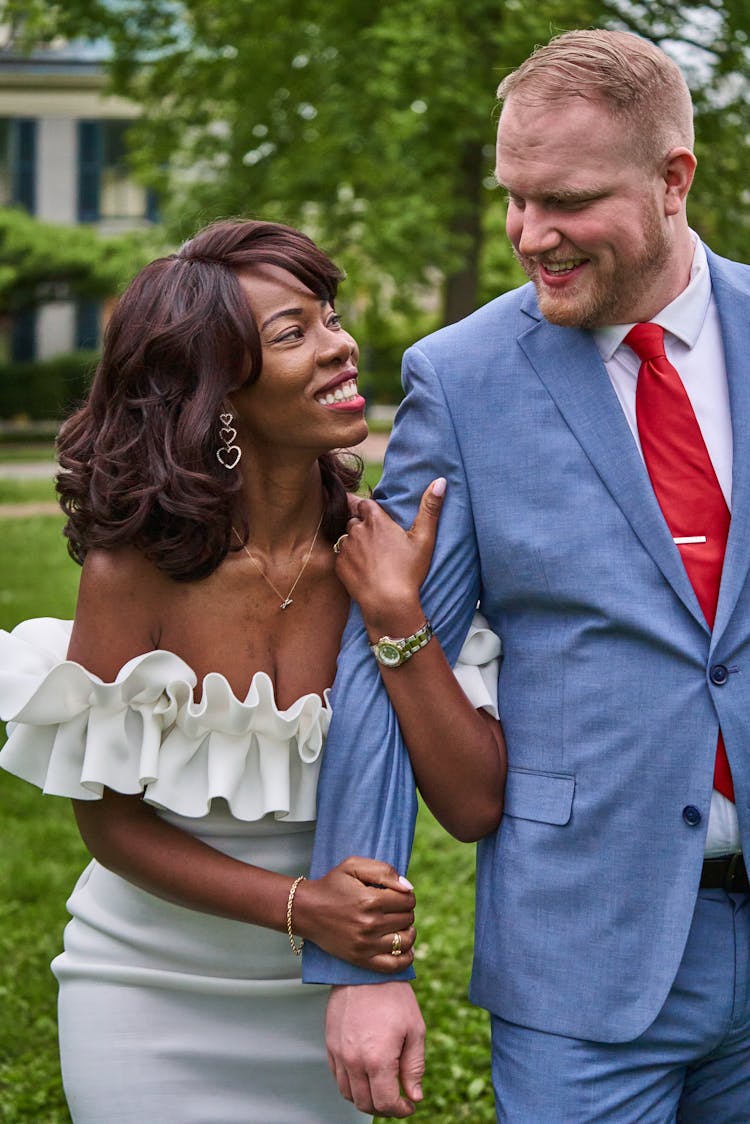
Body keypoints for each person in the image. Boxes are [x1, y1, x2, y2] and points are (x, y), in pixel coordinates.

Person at [304, 28, 750, 1121]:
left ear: (674, 179)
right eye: (514, 196)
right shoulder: (459, 380)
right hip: (580, 949)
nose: (529, 234)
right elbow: (386, 653)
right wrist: (368, 966)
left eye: (568, 200)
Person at [0, 219, 505, 1123]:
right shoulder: (134, 571)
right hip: (146, 992)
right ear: (216, 393)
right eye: (293, 333)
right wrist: (301, 905)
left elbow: (472, 805)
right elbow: (109, 824)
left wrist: (397, 615)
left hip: (328, 1009)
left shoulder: (385, 553)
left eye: (331, 318)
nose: (340, 346)